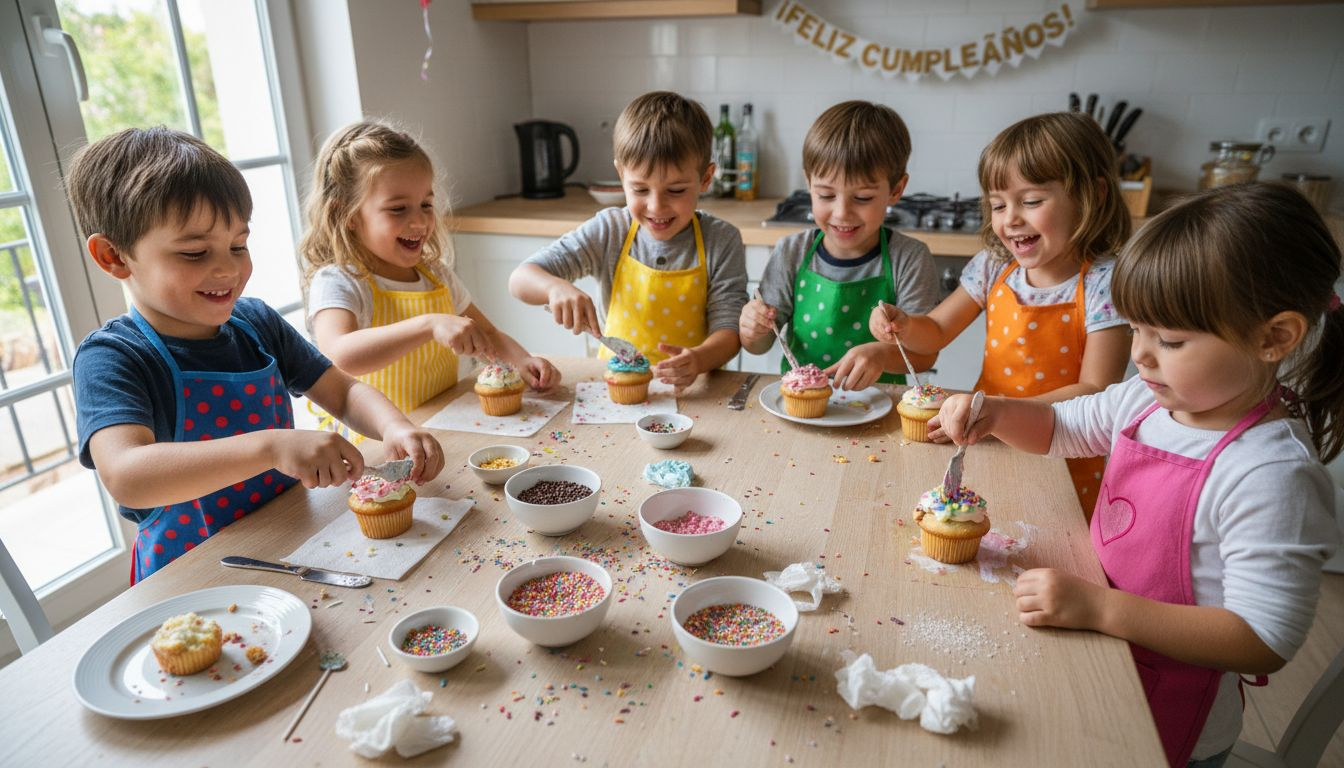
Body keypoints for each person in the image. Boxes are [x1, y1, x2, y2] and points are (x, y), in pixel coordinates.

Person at [936, 183, 1342, 768]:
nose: (1142, 356)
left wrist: (1101, 609)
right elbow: (1061, 428)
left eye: (1170, 340)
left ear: (1273, 337)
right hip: (1099, 653)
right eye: (1137, 330)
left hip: (1166, 719)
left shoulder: (1271, 472)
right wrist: (997, 411)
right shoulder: (1149, 402)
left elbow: (1263, 638)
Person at [69, 127, 445, 583]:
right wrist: (271, 446)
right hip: (193, 575)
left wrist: (394, 426)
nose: (227, 268)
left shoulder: (256, 323)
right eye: (193, 252)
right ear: (113, 256)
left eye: (238, 245)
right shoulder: (113, 357)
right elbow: (128, 475)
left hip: (288, 541)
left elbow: (343, 393)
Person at [871, 112, 1132, 513]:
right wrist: (905, 326)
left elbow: (1096, 390)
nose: (1009, 219)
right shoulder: (994, 266)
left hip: (1064, 460)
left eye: (1030, 201)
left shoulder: (1104, 284)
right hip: (986, 443)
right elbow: (937, 329)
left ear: (1092, 195)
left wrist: (1005, 414)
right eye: (997, 204)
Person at [301, 120, 558, 431]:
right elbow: (340, 353)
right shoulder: (340, 281)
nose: (420, 220)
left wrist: (523, 362)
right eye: (398, 209)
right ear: (349, 215)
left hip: (439, 429)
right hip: (373, 447)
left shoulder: (436, 276)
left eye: (426, 204)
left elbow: (488, 335)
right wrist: (428, 324)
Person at [508, 91, 747, 387]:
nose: (656, 207)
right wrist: (555, 288)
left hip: (696, 389)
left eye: (676, 190)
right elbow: (520, 279)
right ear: (621, 174)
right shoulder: (610, 230)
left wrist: (698, 360)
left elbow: (730, 331)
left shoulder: (721, 240)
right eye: (640, 189)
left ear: (706, 178)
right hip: (616, 390)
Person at [739, 100, 938, 389]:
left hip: (880, 406)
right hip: (800, 405)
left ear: (896, 190)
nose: (842, 212)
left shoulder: (909, 258)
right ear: (809, 184)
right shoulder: (791, 252)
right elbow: (758, 346)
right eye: (826, 195)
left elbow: (925, 355)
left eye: (863, 198)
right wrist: (751, 328)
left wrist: (882, 354)